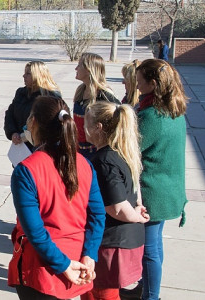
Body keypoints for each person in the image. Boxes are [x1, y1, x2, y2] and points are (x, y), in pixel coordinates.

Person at [7, 96, 106, 300]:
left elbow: (35, 231)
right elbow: (97, 216)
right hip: (76, 260)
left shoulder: (26, 170)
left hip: (42, 269)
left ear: (33, 123)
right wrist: (89, 255)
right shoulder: (84, 164)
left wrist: (64, 265)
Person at [81, 101, 150, 300]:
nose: (83, 128)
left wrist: (137, 216)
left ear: (98, 127)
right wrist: (138, 209)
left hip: (112, 243)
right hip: (126, 239)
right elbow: (134, 193)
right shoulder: (124, 153)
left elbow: (117, 207)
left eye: (87, 123)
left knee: (100, 294)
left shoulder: (104, 160)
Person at [136, 59, 187, 300]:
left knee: (149, 251)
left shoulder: (152, 116)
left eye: (139, 81)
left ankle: (151, 296)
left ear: (153, 84)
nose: (136, 86)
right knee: (154, 245)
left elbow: (132, 149)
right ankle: (147, 289)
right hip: (168, 189)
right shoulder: (173, 110)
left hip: (153, 192)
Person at [4, 60, 61, 151]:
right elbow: (10, 114)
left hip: (41, 148)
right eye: (24, 73)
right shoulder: (20, 93)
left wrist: (27, 136)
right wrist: (13, 132)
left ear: (38, 76)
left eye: (28, 73)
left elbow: (53, 127)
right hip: (20, 147)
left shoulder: (50, 97)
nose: (24, 76)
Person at [73, 52, 120, 159]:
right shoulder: (80, 91)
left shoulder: (104, 95)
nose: (76, 68)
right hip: (79, 151)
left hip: (96, 153)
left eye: (79, 65)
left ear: (89, 70)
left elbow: (120, 119)